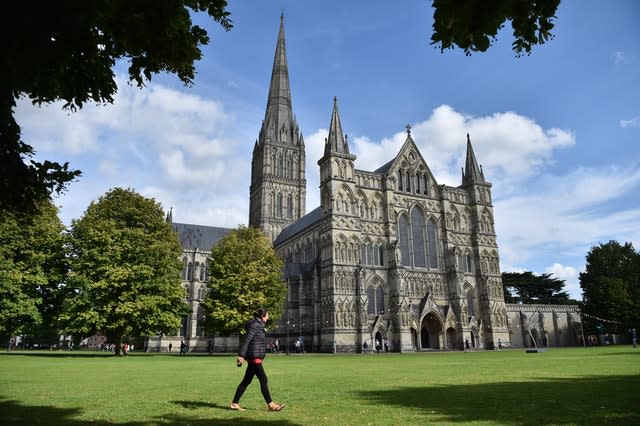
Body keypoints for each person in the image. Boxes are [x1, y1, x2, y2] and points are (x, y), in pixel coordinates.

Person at [230, 308, 285, 412]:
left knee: (246, 381)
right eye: (267, 315)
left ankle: (234, 403)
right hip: (254, 357)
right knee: (263, 379)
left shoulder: (259, 325)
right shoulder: (255, 325)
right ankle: (271, 405)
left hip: (255, 356)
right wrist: (241, 356)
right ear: (262, 316)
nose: (268, 317)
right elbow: (247, 340)